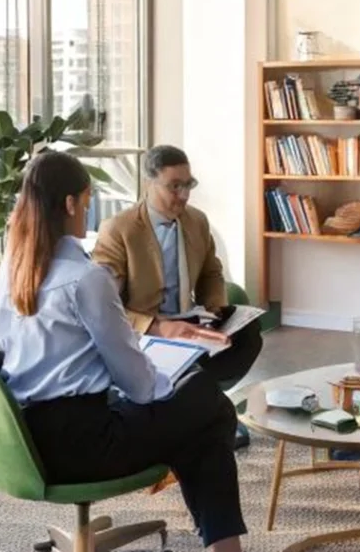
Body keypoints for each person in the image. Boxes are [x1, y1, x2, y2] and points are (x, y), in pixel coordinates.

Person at [0, 152, 246, 551]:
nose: (87, 214)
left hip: (27, 440)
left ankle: (221, 544)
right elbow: (139, 385)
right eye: (87, 202)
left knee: (198, 417)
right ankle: (223, 545)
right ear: (70, 204)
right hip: (86, 445)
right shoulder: (86, 278)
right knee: (208, 405)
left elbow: (2, 343)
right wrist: (169, 381)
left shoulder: (12, 268)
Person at [92, 145, 262, 447]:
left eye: (188, 185)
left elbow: (211, 271)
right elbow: (105, 306)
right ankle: (206, 416)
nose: (183, 195)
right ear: (149, 183)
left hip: (188, 319)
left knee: (247, 334)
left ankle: (201, 408)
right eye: (175, 186)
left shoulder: (196, 221)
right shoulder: (118, 229)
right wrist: (159, 327)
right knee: (188, 359)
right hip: (145, 330)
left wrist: (217, 309)